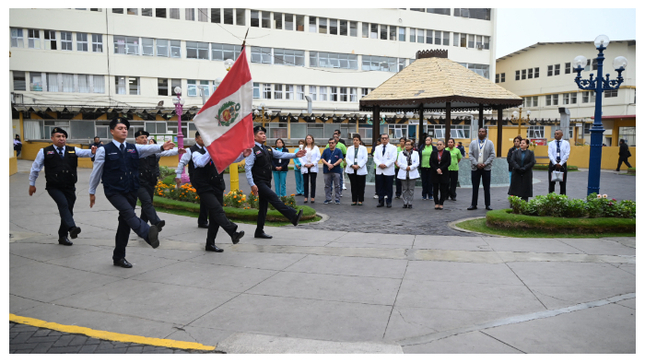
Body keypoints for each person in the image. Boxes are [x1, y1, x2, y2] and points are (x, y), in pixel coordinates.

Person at [88, 117, 176, 268]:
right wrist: (92, 191)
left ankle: (118, 257)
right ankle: (147, 233)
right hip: (114, 191)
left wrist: (161, 147)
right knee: (129, 213)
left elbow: (148, 149)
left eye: (125, 128)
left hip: (131, 190)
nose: (123, 130)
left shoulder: (133, 148)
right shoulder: (104, 150)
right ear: (112, 131)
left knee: (124, 223)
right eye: (120, 128)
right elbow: (96, 171)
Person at [29, 127, 96, 246]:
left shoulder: (72, 150)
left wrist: (93, 151)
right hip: (54, 187)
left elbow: (85, 152)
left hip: (70, 187)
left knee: (68, 211)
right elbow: (35, 168)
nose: (61, 139)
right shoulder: (44, 151)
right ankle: (72, 228)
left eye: (63, 137)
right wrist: (32, 184)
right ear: (52, 138)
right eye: (58, 136)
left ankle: (62, 236)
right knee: (63, 205)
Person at [188, 131, 250, 252]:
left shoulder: (218, 152)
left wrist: (243, 155)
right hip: (204, 187)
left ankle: (210, 244)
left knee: (215, 217)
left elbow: (230, 158)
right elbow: (201, 163)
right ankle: (232, 230)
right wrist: (211, 151)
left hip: (217, 186)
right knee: (217, 210)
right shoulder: (196, 153)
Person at [245, 125, 306, 239]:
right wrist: (252, 184)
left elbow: (281, 154)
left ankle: (259, 231)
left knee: (263, 207)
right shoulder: (251, 150)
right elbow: (248, 168)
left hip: (267, 181)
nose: (263, 135)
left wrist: (294, 155)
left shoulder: (268, 149)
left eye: (264, 133)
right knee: (273, 197)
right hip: (258, 182)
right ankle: (292, 215)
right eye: (260, 134)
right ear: (253, 136)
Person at [134, 130, 182, 232]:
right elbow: (153, 148)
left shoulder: (153, 152)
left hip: (150, 181)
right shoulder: (135, 149)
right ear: (136, 139)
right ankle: (156, 222)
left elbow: (166, 153)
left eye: (146, 138)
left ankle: (141, 229)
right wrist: (160, 146)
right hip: (139, 182)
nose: (145, 140)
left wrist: (178, 151)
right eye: (142, 137)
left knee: (146, 205)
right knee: (147, 202)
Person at [175, 139, 208, 228]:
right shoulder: (190, 150)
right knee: (205, 197)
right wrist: (178, 175)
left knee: (206, 199)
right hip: (196, 178)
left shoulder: (208, 149)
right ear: (196, 139)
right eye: (201, 137)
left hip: (207, 178)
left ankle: (204, 220)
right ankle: (203, 221)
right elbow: (182, 162)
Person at [467, 128, 496, 211]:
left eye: (483, 132)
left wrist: (485, 163)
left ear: (486, 133)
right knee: (475, 187)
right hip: (475, 168)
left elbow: (492, 154)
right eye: (479, 131)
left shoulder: (490, 143)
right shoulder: (473, 143)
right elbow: (470, 154)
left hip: (486, 168)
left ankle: (488, 205)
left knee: (486, 187)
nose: (481, 133)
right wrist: (476, 163)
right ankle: (473, 204)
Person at [373, 133, 398, 208]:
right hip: (379, 169)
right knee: (380, 186)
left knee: (388, 187)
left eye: (386, 138)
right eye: (383, 138)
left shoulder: (393, 148)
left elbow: (393, 158)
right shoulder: (377, 148)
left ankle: (389, 201)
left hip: (388, 170)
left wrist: (386, 165)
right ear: (381, 139)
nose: (384, 140)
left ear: (388, 139)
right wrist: (379, 164)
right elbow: (375, 158)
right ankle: (380, 201)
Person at [345, 133, 368, 206]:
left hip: (360, 169)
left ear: (360, 141)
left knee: (361, 185)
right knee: (353, 185)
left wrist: (358, 165)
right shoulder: (349, 148)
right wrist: (352, 165)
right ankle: (354, 200)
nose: (355, 141)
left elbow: (365, 158)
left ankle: (360, 200)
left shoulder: (363, 148)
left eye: (357, 140)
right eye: (354, 140)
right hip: (351, 169)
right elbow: (347, 158)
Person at [396, 139, 420, 209]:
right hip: (404, 172)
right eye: (406, 144)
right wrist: (406, 167)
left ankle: (410, 202)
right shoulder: (401, 153)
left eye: (409, 144)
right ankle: (405, 202)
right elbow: (399, 162)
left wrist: (410, 167)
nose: (407, 146)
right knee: (404, 189)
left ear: (412, 146)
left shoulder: (415, 153)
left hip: (412, 172)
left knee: (411, 189)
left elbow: (417, 163)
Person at [321, 137, 344, 205]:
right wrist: (328, 164)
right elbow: (322, 159)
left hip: (336, 170)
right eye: (329, 143)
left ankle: (337, 199)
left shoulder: (338, 151)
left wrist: (333, 165)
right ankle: (328, 198)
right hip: (327, 170)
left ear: (335, 143)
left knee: (337, 185)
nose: (330, 144)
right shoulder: (325, 150)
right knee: (327, 185)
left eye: (332, 143)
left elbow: (340, 159)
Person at [547, 129, 570, 195]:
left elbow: (567, 154)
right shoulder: (551, 143)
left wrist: (560, 163)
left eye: (557, 134)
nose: (556, 135)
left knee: (563, 183)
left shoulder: (566, 143)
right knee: (551, 183)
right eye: (555, 134)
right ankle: (551, 197)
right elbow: (550, 154)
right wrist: (555, 163)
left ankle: (562, 197)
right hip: (553, 164)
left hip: (562, 164)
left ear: (562, 135)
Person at [430, 139, 451, 210]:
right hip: (435, 173)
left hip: (444, 172)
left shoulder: (447, 153)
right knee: (435, 189)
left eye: (440, 144)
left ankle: (441, 203)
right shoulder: (433, 152)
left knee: (443, 189)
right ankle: (436, 203)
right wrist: (437, 169)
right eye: (437, 144)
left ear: (444, 145)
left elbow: (448, 162)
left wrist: (441, 169)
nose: (439, 146)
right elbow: (431, 162)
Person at [300, 134, 320, 204]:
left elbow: (318, 157)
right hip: (305, 167)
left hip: (313, 167)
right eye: (307, 138)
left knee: (313, 182)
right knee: (305, 183)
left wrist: (312, 164)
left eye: (310, 138)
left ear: (312, 140)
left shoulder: (316, 148)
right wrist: (304, 164)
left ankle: (312, 197)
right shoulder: (302, 147)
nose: (308, 139)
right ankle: (305, 197)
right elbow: (300, 157)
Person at [327, 131, 347, 196]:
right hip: (330, 165)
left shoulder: (342, 145)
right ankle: (330, 192)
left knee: (339, 180)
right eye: (334, 137)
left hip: (339, 166)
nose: (335, 138)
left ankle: (339, 192)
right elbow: (325, 154)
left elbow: (345, 154)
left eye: (337, 137)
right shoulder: (328, 145)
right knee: (330, 180)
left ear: (339, 138)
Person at [418, 136, 436, 201]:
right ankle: (424, 194)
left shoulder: (433, 148)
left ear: (431, 141)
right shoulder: (422, 147)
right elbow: (419, 156)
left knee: (430, 181)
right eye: (426, 140)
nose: (427, 141)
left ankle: (430, 194)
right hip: (423, 167)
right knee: (424, 182)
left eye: (428, 140)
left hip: (431, 167)